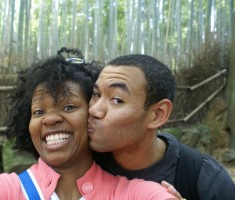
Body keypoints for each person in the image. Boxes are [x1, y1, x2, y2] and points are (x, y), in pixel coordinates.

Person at [0, 48, 177, 200]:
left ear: (92, 115)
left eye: (69, 107)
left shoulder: (135, 193)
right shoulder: (0, 190)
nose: (50, 119)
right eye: (39, 111)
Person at [88, 53, 235, 200]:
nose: (94, 110)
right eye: (96, 94)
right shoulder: (80, 162)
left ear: (158, 114)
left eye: (117, 100)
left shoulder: (205, 179)